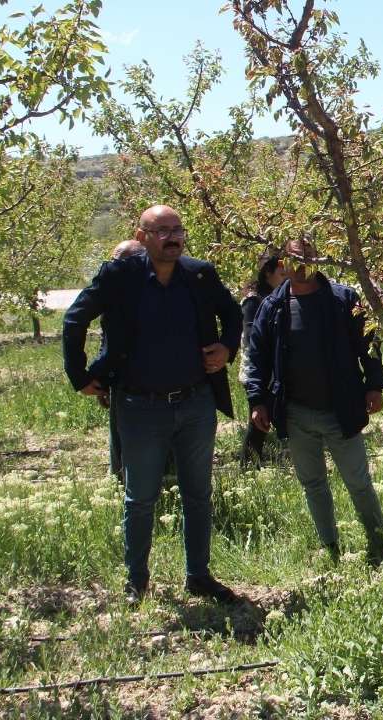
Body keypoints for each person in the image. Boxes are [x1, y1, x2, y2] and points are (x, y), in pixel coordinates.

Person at [63, 205, 243, 606]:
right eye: (161, 230)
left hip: (195, 403)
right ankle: (136, 582)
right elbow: (75, 320)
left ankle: (199, 576)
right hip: (140, 407)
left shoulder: (200, 274)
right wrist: (80, 376)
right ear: (141, 237)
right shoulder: (119, 276)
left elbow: (233, 313)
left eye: (177, 229)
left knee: (198, 494)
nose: (171, 237)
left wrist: (227, 347)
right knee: (141, 498)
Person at [244, 237, 383, 563]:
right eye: (295, 258)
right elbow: (258, 358)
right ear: (282, 263)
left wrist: (374, 385)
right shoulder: (273, 307)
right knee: (313, 483)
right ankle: (331, 550)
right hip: (295, 413)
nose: (303, 264)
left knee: (358, 482)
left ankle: (381, 546)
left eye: (309, 256)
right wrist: (257, 401)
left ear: (319, 259)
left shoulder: (343, 299)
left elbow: (369, 344)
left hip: (341, 408)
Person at [100, 239, 147, 478]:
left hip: (159, 387)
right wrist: (102, 379)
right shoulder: (112, 293)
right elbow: (107, 339)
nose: (115, 266)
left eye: (121, 261)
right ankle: (121, 481)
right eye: (113, 261)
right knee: (121, 440)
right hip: (122, 383)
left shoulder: (160, 289)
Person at [238, 248, 286, 468]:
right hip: (258, 370)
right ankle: (249, 465)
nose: (286, 278)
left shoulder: (279, 297)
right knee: (258, 421)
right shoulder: (253, 300)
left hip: (276, 368)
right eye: (281, 274)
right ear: (267, 273)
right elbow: (252, 338)